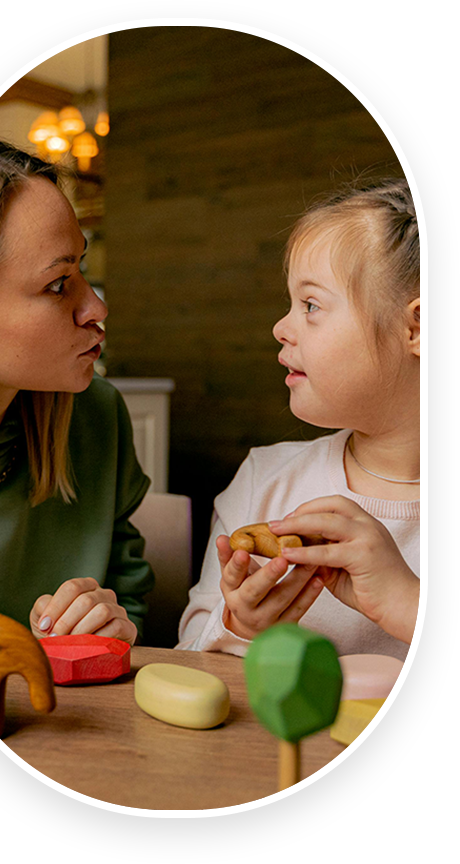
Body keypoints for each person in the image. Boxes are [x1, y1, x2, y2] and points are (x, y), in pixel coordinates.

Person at [177, 177, 421, 660]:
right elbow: (189, 658)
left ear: (415, 327)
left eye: (311, 305)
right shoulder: (264, 480)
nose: (280, 327)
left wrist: (410, 604)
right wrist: (240, 627)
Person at [0, 137, 154, 645]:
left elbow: (133, 603)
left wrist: (113, 628)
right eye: (58, 285)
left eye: (81, 267)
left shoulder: (98, 416)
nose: (96, 308)